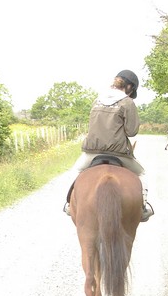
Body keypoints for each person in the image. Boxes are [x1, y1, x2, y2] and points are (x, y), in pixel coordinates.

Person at [63, 69, 154, 222]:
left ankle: (68, 204)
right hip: (118, 153)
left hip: (92, 152)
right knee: (142, 174)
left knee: (76, 170)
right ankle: (143, 208)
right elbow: (132, 132)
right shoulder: (127, 102)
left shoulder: (97, 100)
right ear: (130, 87)